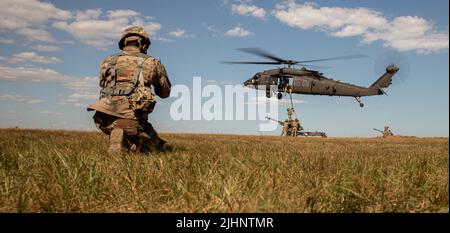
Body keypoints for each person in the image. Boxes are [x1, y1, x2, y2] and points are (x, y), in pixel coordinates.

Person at [87, 26, 171, 154]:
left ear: (123, 43)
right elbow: (165, 93)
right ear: (143, 45)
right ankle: (122, 132)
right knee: (157, 148)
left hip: (102, 118)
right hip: (133, 119)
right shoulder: (152, 63)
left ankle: (123, 140)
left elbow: (102, 83)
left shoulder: (108, 61)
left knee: (135, 147)